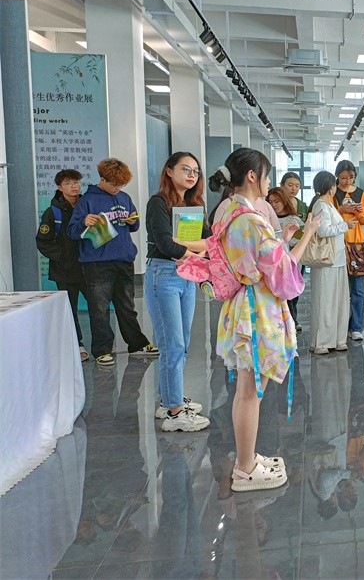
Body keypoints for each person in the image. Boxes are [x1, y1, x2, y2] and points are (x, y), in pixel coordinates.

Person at [208, 148, 321, 492]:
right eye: (267, 175)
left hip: (242, 305)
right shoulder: (252, 220)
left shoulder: (228, 213)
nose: (270, 182)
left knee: (246, 390)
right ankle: (245, 469)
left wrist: (281, 240)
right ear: (252, 176)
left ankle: (247, 459)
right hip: (258, 309)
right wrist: (307, 234)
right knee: (251, 391)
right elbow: (283, 274)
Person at [145, 152, 211, 432]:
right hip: (164, 274)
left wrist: (188, 248)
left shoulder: (195, 205)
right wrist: (195, 251)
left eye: (195, 171)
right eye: (186, 169)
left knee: (182, 343)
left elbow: (209, 241)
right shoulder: (158, 203)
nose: (192, 175)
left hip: (187, 275)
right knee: (172, 344)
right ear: (169, 171)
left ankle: (169, 399)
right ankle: (175, 412)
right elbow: (165, 245)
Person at [68, 158, 157, 365]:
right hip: (97, 263)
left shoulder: (124, 197)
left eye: (121, 185)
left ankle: (137, 344)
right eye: (114, 185)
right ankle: (102, 350)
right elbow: (72, 231)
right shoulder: (87, 201)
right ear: (103, 180)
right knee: (99, 309)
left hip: (124, 259)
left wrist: (133, 221)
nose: (117, 189)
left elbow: (133, 226)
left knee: (127, 305)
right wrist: (84, 222)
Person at [36, 169, 90, 361]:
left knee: (97, 307)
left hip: (89, 268)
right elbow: (43, 241)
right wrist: (64, 257)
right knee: (70, 310)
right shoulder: (53, 212)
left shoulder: (87, 206)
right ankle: (78, 345)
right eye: (68, 183)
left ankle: (103, 343)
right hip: (65, 271)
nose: (74, 186)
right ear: (59, 187)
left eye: (76, 182)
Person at [309, 171, 352, 354]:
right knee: (325, 301)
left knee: (339, 301)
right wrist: (345, 226)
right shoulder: (321, 205)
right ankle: (321, 341)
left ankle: (338, 339)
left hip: (337, 260)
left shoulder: (330, 205)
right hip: (327, 261)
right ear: (330, 187)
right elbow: (323, 231)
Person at [334, 160, 364, 341]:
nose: (347, 181)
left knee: (358, 289)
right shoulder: (333, 193)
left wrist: (359, 211)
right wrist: (341, 209)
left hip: (357, 246)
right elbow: (327, 217)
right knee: (339, 290)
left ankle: (356, 327)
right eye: (343, 178)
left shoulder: (360, 193)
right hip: (338, 245)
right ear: (337, 176)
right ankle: (338, 328)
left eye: (351, 177)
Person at [267, 187, 303, 328]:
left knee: (292, 294)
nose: (274, 205)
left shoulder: (293, 219)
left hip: (291, 260)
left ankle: (293, 320)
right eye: (270, 202)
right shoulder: (266, 220)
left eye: (277, 201)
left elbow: (299, 241)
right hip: (275, 263)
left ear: (284, 200)